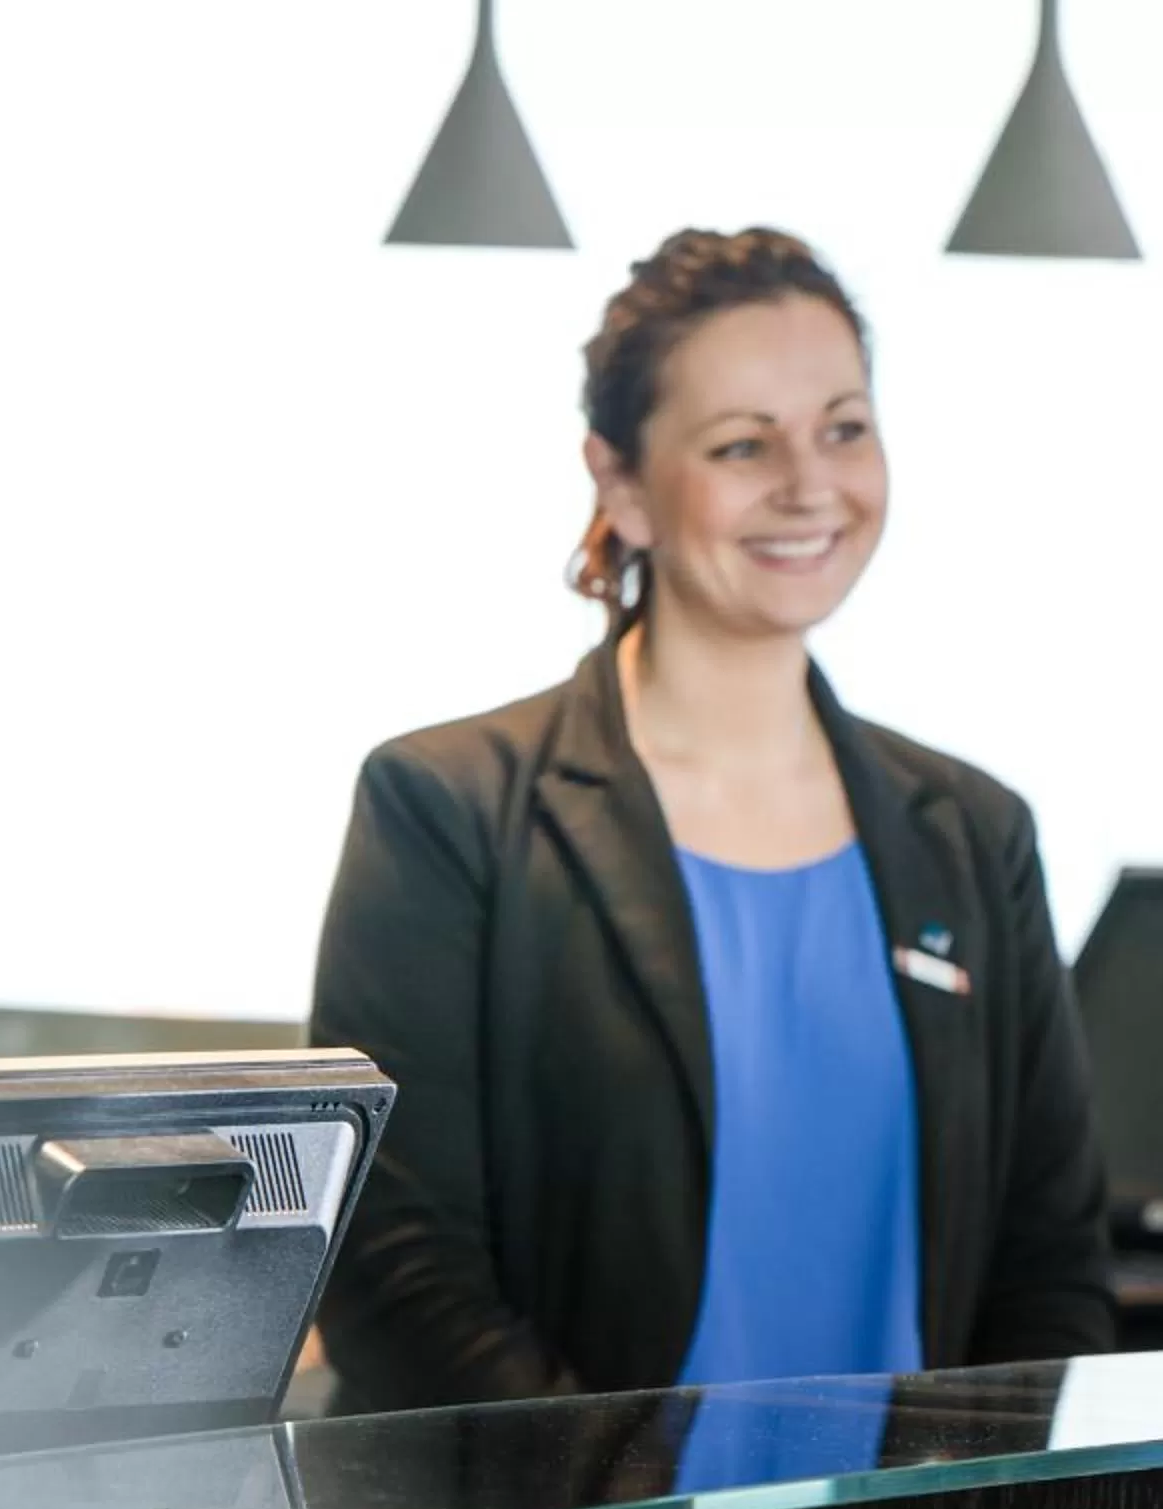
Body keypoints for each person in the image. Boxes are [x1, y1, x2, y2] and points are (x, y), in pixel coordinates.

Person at [311, 226, 1116, 1416]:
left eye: (844, 427)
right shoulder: (453, 811)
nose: (809, 484)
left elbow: (1050, 1263)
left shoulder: (973, 834)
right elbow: (396, 1269)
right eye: (744, 445)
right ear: (621, 484)